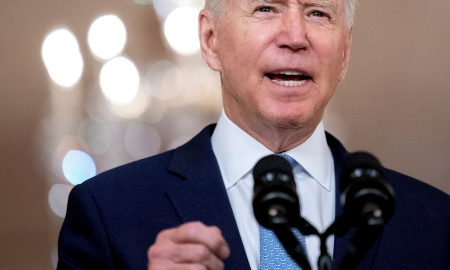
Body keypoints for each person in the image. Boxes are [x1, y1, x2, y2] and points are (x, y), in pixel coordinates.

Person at [57, 0, 450, 269]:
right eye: (265, 8)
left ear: (344, 53)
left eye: (317, 12)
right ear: (211, 41)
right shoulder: (107, 213)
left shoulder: (434, 223)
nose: (295, 36)